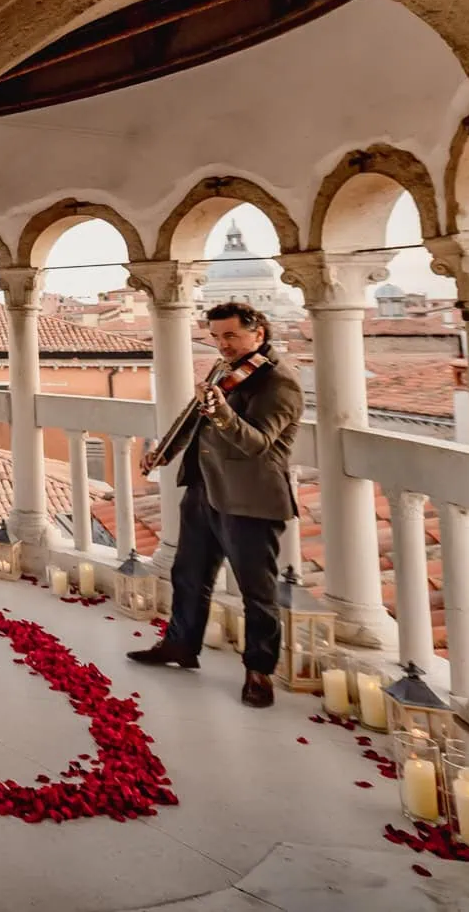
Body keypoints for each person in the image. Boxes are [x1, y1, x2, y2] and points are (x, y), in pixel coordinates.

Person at [127, 301, 304, 708]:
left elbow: (259, 444)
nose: (222, 345)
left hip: (250, 499)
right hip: (205, 490)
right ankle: (180, 646)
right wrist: (165, 451)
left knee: (256, 591)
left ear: (258, 333)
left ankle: (259, 670)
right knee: (188, 573)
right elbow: (195, 414)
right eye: (216, 336)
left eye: (231, 336)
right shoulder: (224, 370)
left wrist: (222, 413)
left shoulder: (279, 382)